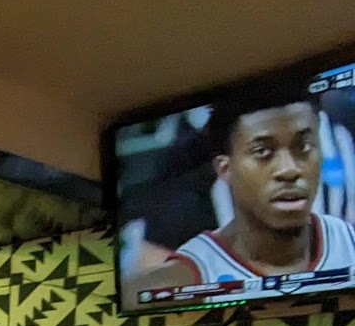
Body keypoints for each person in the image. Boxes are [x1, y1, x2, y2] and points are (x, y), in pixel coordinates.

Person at [134, 82, 355, 295]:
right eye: (263, 152)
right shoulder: (187, 168)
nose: (289, 170)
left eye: (304, 147)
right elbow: (149, 278)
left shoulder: (343, 118)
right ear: (224, 167)